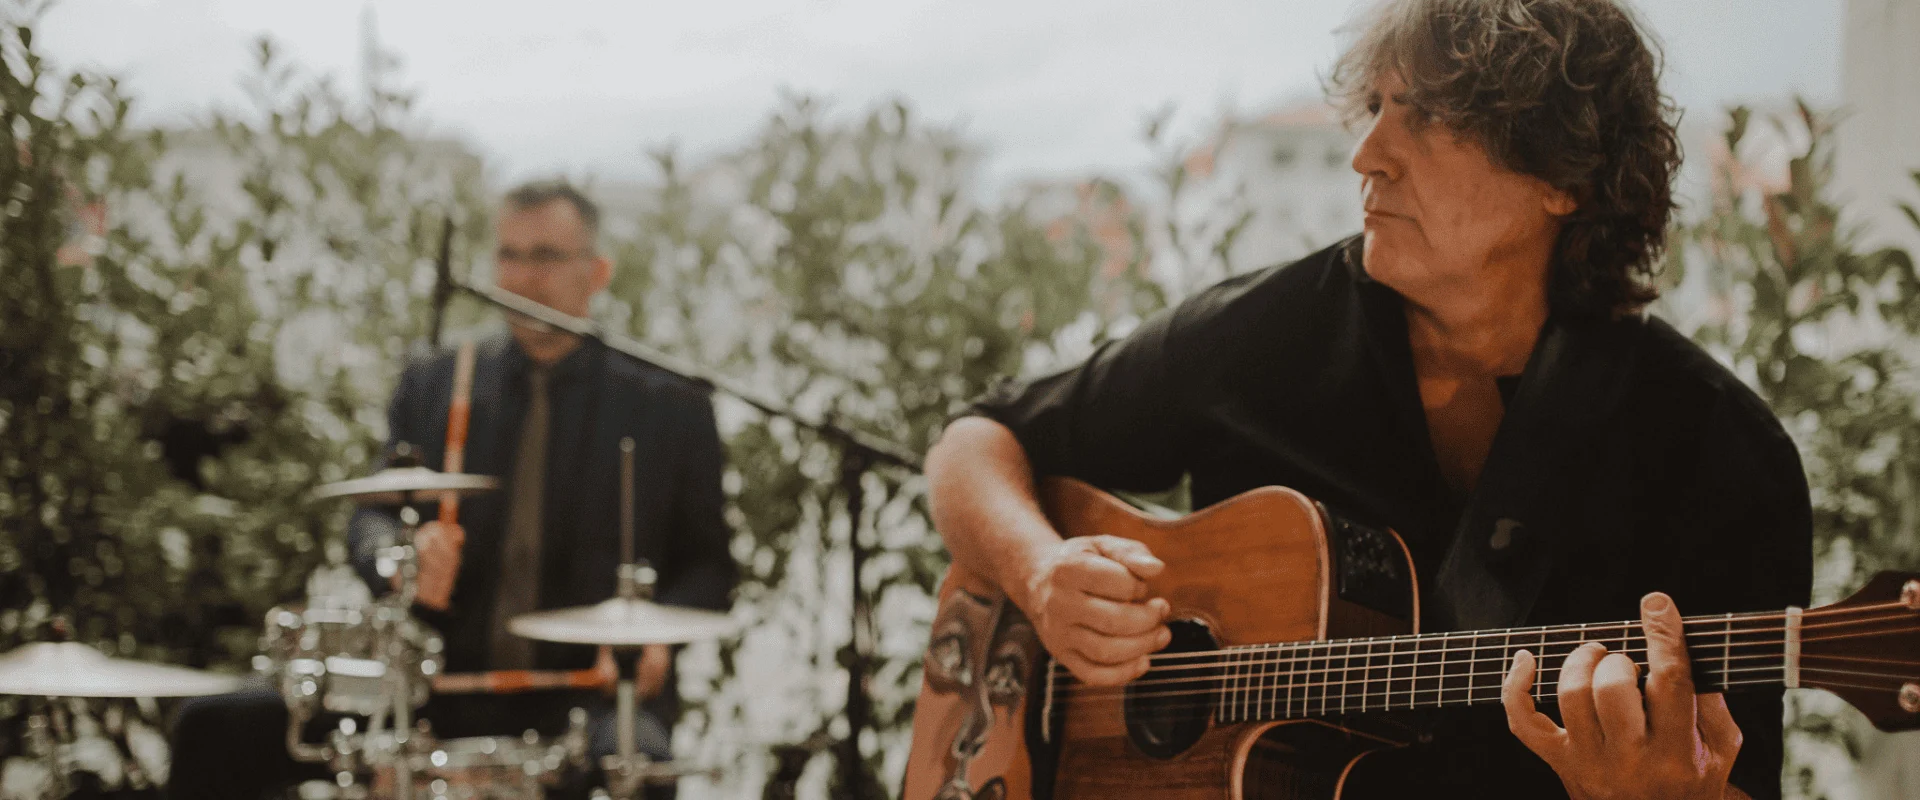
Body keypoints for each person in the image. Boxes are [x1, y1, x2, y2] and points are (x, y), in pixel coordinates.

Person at [923, 1, 1810, 798]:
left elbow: (1739, 781)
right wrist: (1040, 577)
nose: (1367, 154)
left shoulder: (1717, 450)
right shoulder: (1267, 334)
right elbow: (977, 443)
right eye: (1378, 107)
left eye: (1424, 118)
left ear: (1561, 177)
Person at [167, 181, 738, 800]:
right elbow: (371, 518)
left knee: (639, 771)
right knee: (213, 728)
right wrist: (400, 561)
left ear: (597, 272)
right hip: (429, 686)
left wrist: (654, 639)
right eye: (508, 256)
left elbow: (709, 566)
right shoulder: (437, 380)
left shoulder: (669, 403)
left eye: (545, 257)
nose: (522, 278)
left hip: (584, 697)